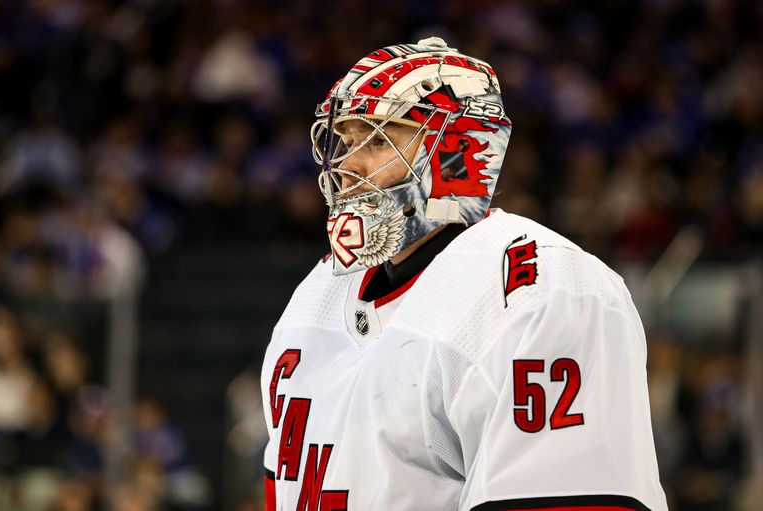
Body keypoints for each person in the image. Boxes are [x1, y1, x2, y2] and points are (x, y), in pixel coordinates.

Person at [260, 37, 669, 511]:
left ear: (455, 152)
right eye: (347, 142)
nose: (349, 165)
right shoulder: (318, 293)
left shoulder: (536, 291)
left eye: (377, 139)